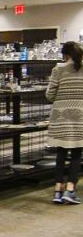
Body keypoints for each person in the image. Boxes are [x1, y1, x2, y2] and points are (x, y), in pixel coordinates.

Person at [46, 41, 83, 204]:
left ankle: (57, 191)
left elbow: (50, 94)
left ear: (65, 54)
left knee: (61, 153)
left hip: (60, 116)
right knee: (76, 153)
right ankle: (70, 190)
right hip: (80, 115)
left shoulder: (58, 69)